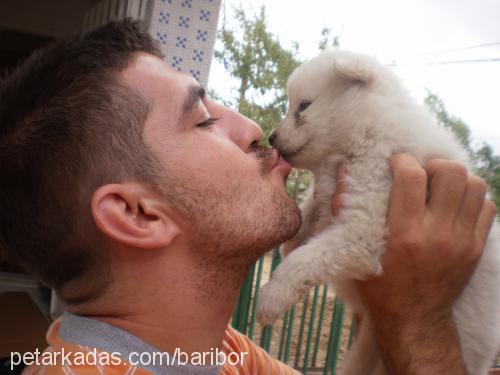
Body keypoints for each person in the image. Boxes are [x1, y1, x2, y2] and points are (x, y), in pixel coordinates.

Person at [0, 19, 495, 375]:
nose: (258, 129)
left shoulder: (223, 356)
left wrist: (395, 309)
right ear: (136, 213)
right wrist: (420, 326)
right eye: (204, 120)